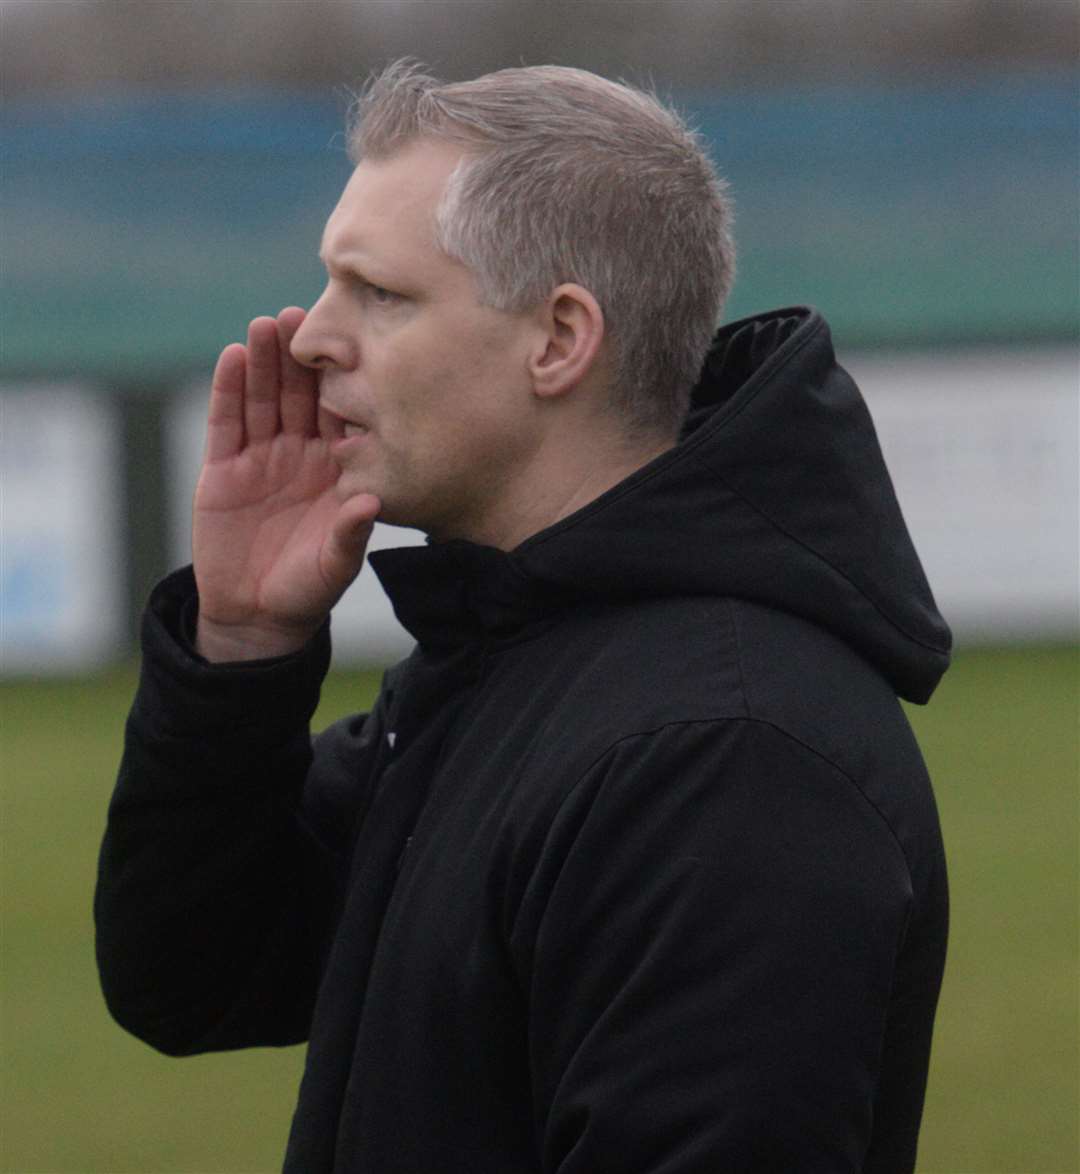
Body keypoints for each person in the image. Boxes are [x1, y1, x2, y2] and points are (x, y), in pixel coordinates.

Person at [95, 60, 950, 1173]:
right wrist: (244, 645)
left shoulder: (724, 754)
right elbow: (192, 974)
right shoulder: (515, 655)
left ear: (559, 340)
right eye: (330, 282)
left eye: (381, 294)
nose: (310, 340)